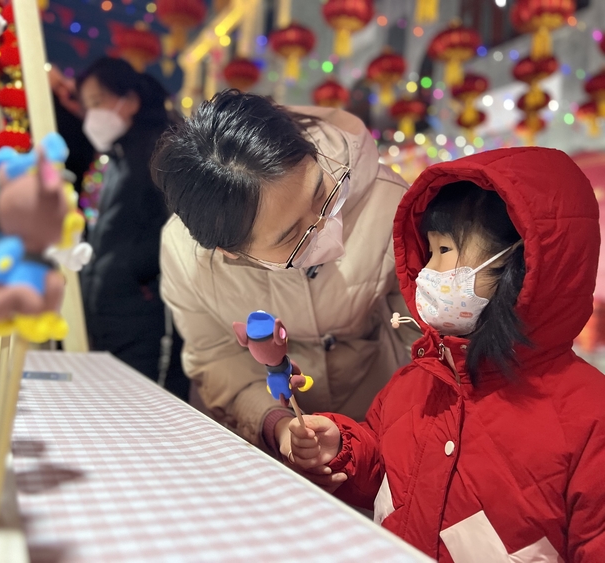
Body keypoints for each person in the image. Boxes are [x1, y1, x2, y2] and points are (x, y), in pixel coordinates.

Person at [285, 148, 605, 561]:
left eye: (445, 251)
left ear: (520, 261)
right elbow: (382, 473)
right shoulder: (415, 380)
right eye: (429, 251)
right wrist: (343, 447)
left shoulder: (589, 417)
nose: (427, 272)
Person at [151, 90, 419, 458]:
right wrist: (276, 425)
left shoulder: (388, 201)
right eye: (292, 236)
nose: (326, 227)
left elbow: (420, 334)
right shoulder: (186, 256)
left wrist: (391, 428)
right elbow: (216, 360)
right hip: (262, 445)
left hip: (375, 419)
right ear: (230, 251)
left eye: (321, 194)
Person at [77, 57, 187, 400]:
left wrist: (137, 275)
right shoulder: (121, 155)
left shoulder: (161, 152)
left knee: (129, 408)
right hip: (113, 312)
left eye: (98, 102)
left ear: (131, 100)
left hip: (142, 318)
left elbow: (178, 230)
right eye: (86, 105)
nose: (91, 114)